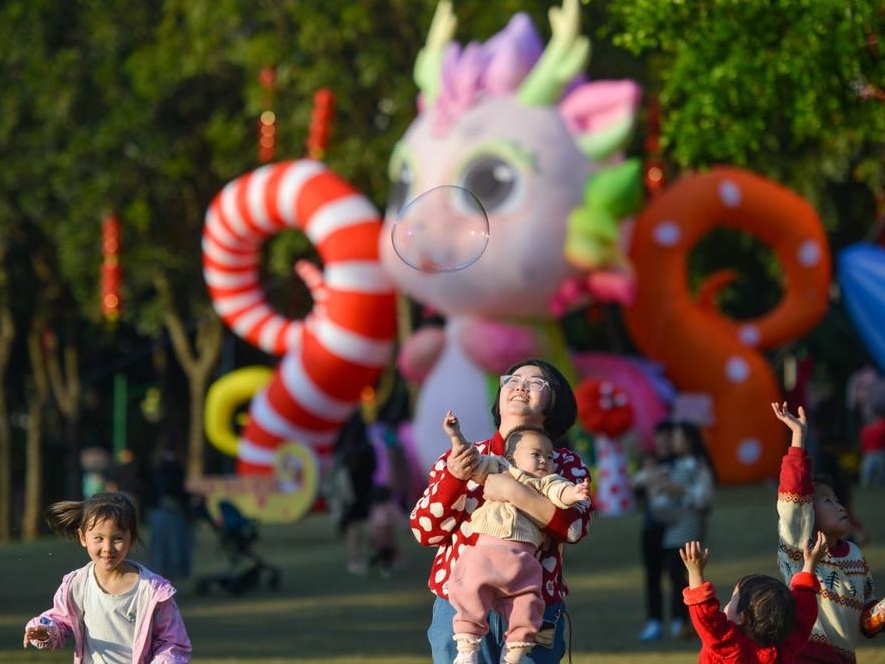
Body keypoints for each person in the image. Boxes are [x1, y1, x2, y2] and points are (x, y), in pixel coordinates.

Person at [410, 359, 592, 664]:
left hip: (532, 605)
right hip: (461, 604)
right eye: (512, 379)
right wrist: (454, 478)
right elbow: (424, 530)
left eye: (536, 382)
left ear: (554, 402)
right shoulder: (464, 457)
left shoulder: (565, 465)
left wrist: (512, 491)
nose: (520, 385)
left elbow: (574, 528)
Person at [444, 413, 590, 664]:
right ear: (512, 457)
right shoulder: (501, 468)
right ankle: (467, 649)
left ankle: (515, 655)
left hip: (523, 559)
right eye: (536, 454)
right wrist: (456, 436)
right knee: (469, 593)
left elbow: (560, 491)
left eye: (549, 457)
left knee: (528, 603)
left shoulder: (546, 484)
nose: (544, 460)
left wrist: (574, 494)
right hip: (486, 553)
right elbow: (474, 461)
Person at [771, 401, 883, 663]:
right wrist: (798, 438)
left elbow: (866, 624)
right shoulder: (799, 549)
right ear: (808, 513)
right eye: (828, 501)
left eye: (837, 499)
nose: (839, 506)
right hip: (803, 655)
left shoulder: (855, 555)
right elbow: (793, 498)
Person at [23, 491, 192, 663]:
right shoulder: (77, 584)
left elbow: (173, 642)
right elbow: (59, 620)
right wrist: (45, 631)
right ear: (83, 537)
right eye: (98, 538)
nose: (107, 548)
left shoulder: (153, 591)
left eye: (117, 538)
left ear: (131, 539)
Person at [679, 533, 826, 664]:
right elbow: (802, 614)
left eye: (733, 599)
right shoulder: (785, 645)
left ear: (742, 617)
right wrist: (809, 566)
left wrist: (695, 574)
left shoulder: (730, 648)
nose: (727, 604)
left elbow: (707, 619)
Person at [654, 421, 716, 639]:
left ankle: (687, 621)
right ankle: (682, 620)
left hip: (687, 529)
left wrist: (681, 490)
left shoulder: (697, 465)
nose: (674, 442)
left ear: (689, 441)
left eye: (678, 438)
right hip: (674, 528)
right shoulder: (679, 465)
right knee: (674, 576)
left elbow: (704, 498)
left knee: (680, 576)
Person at [632, 418, 675, 641]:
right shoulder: (649, 463)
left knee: (678, 576)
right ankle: (655, 621)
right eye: (661, 437)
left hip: (677, 528)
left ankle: (680, 620)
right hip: (652, 527)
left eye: (669, 437)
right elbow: (636, 491)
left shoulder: (682, 462)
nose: (664, 442)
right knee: (653, 576)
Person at [327, 411, 378, 575]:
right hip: (366, 488)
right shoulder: (367, 447)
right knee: (368, 521)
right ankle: (372, 553)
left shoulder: (343, 449)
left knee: (353, 524)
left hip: (350, 490)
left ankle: (356, 559)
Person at [148, 437, 194, 580]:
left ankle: (163, 572)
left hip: (165, 509)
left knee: (162, 545)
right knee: (168, 545)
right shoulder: (170, 466)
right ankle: (166, 572)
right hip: (168, 510)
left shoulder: (158, 465)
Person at [366, 484, 405, 578]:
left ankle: (386, 563)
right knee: (384, 551)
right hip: (381, 532)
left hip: (386, 531)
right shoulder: (378, 507)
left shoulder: (385, 506)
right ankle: (385, 567)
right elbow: (373, 523)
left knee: (387, 549)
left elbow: (397, 515)